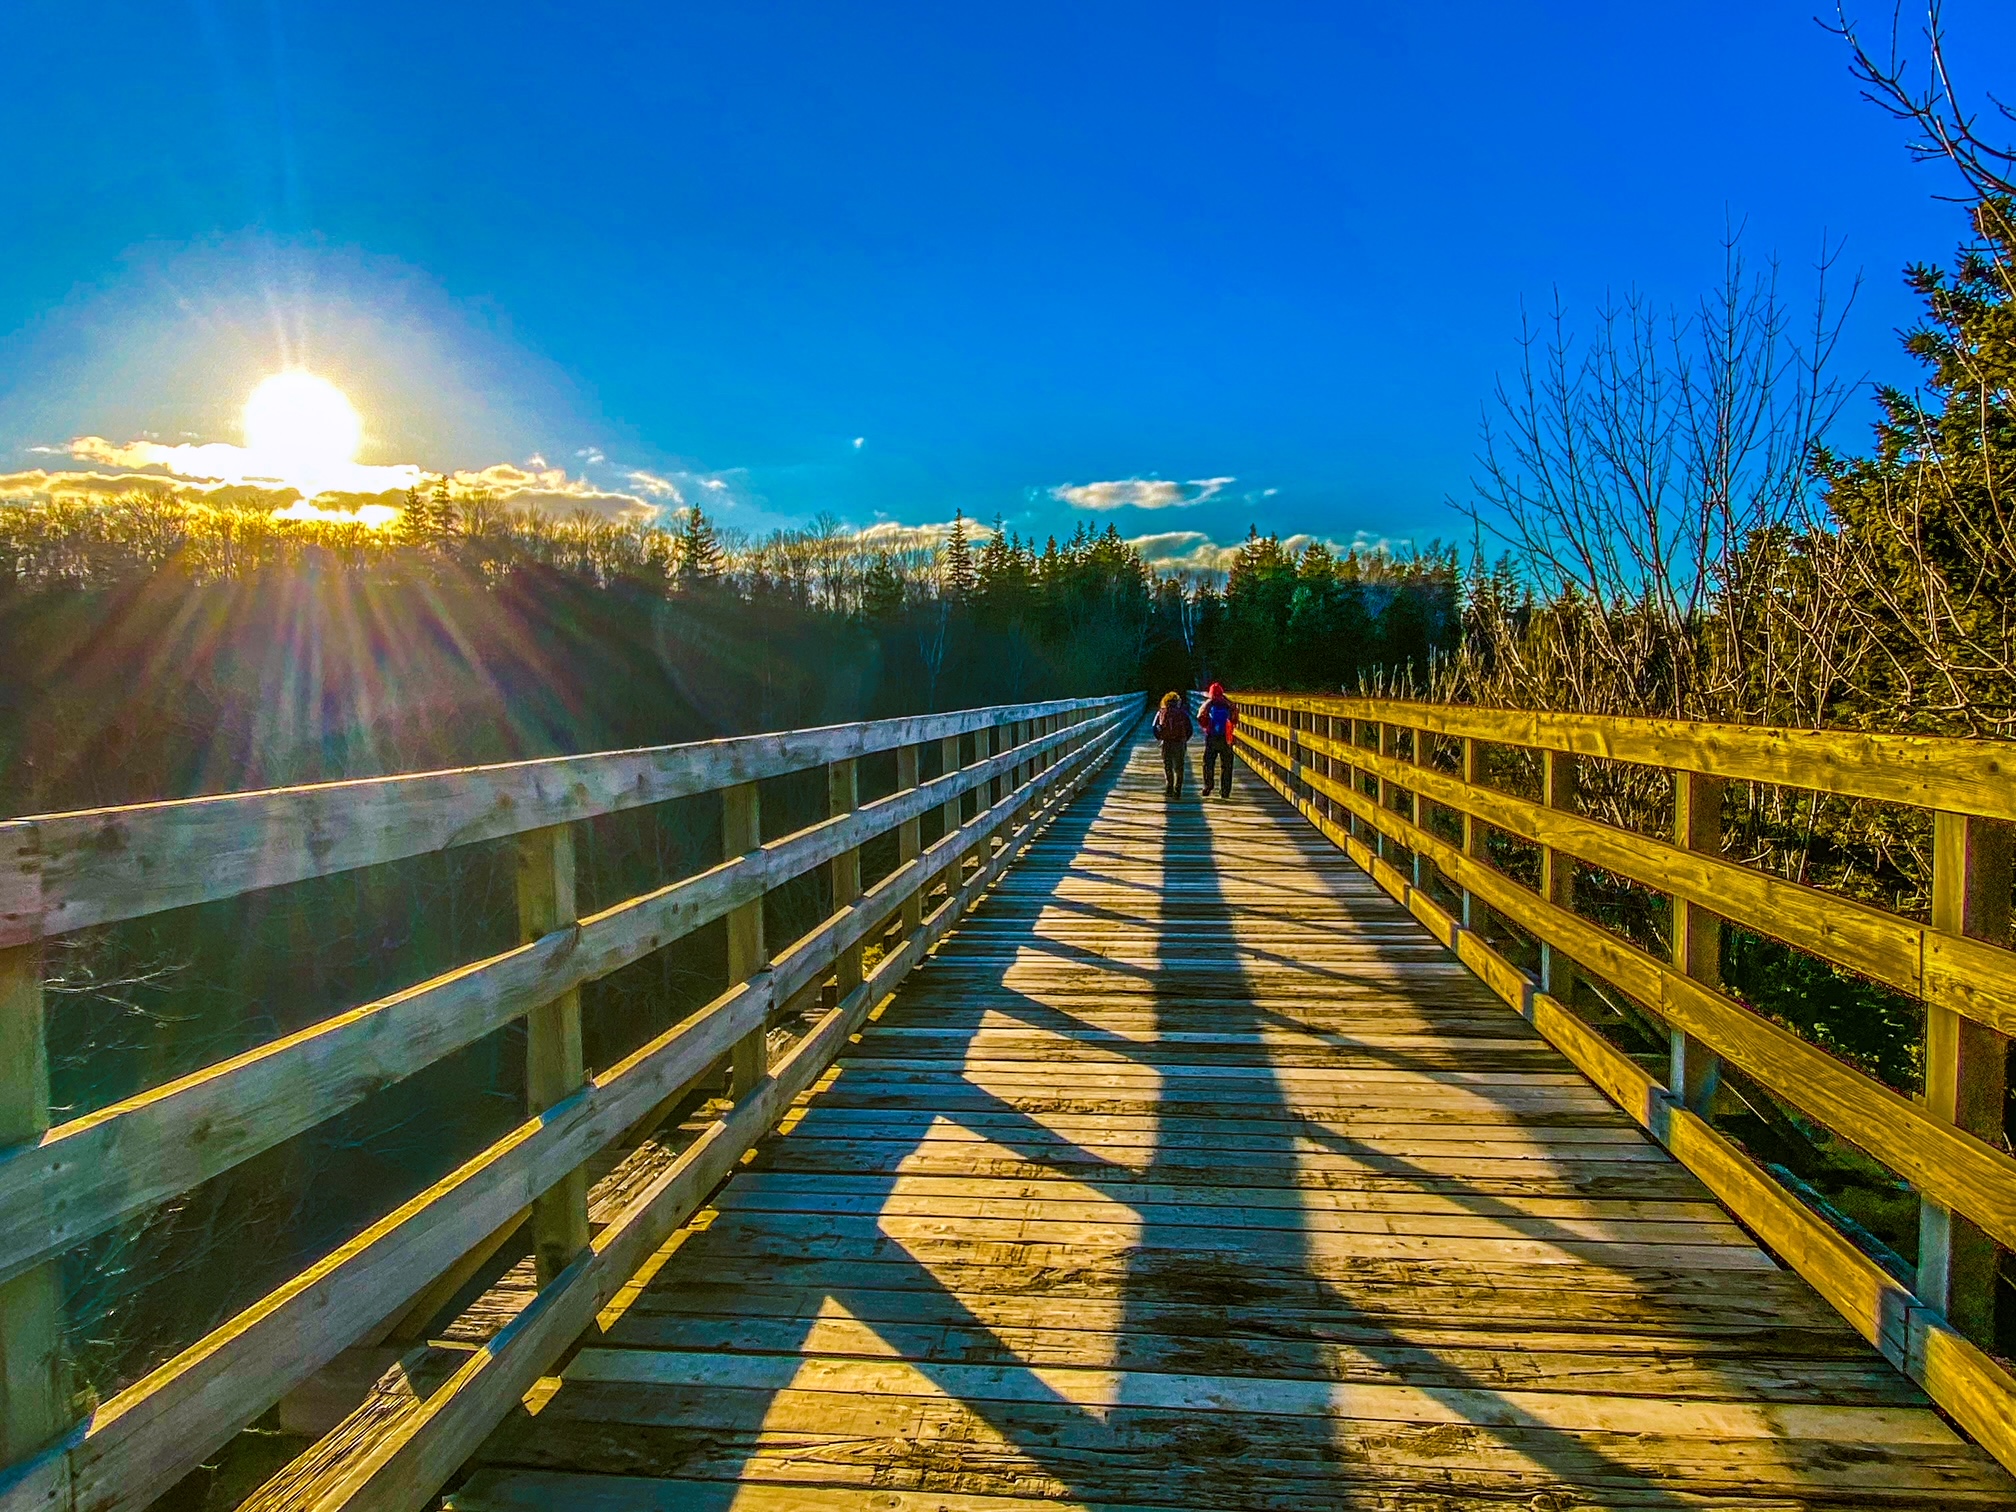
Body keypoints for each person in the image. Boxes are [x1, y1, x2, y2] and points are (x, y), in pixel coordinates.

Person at [1199, 682, 1238, 798]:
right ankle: (1225, 791)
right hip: (1226, 738)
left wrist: (1206, 726)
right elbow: (1235, 720)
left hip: (1212, 737)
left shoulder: (1209, 704)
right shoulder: (1229, 704)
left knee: (1208, 763)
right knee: (1226, 765)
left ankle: (1208, 786)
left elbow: (1200, 717)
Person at [1151, 691, 1193, 796]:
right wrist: (1184, 739)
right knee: (1179, 767)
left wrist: (1160, 737)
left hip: (1167, 742)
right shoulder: (1182, 713)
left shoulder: (1162, 712)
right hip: (1179, 742)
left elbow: (1154, 727)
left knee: (1168, 765)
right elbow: (1190, 729)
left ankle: (1169, 788)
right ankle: (1177, 790)